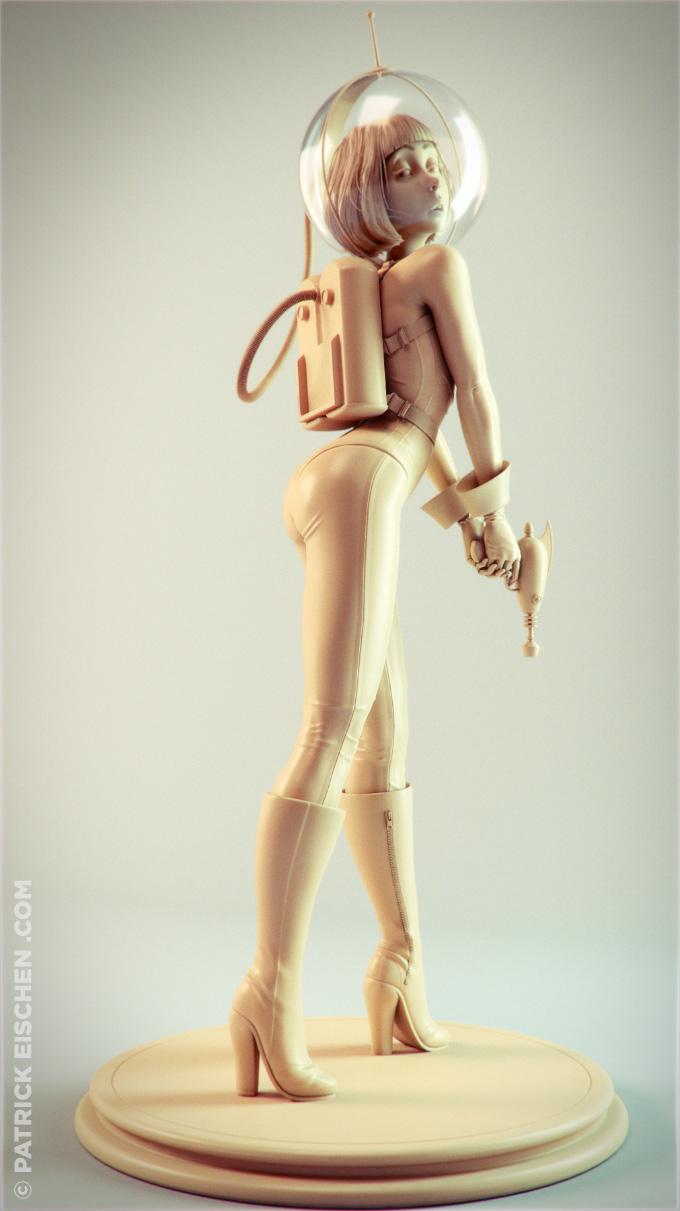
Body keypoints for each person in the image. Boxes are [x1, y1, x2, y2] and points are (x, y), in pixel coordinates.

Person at [229, 114, 520, 1101]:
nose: (430, 176)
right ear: (365, 189)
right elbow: (472, 394)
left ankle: (399, 962)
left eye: (435, 159)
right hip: (361, 488)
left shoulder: (367, 284)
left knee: (378, 744)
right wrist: (496, 512)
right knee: (331, 731)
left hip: (339, 477)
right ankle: (267, 990)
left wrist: (467, 517)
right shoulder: (436, 267)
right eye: (404, 165)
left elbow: (409, 416)